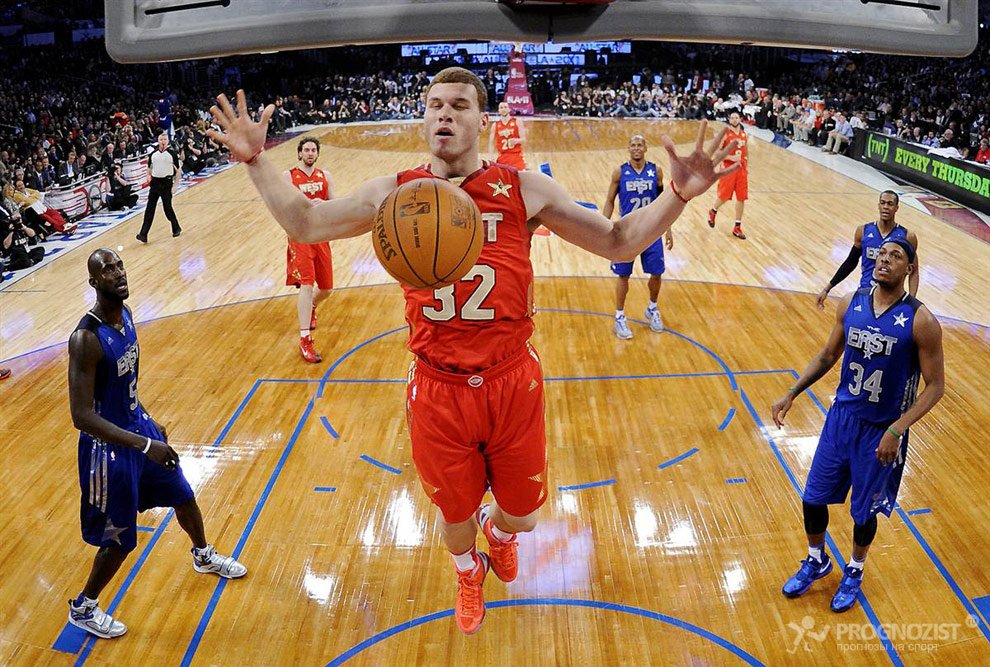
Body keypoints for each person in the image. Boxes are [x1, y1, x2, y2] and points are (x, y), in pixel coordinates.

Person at [207, 70, 738, 635]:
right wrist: (255, 161)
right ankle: (468, 571)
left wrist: (677, 194)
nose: (444, 114)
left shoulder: (523, 189)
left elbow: (618, 239)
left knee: (526, 517)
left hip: (512, 378)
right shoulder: (396, 192)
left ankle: (503, 536)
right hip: (438, 386)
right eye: (434, 105)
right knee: (455, 518)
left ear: (482, 120)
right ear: (423, 118)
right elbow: (306, 222)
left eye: (459, 105)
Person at [66, 248, 246, 640]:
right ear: (94, 283)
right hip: (107, 452)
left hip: (137, 429)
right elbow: (82, 416)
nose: (117, 273)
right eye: (107, 270)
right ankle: (84, 606)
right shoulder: (85, 339)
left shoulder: (127, 318)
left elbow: (123, 387)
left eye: (119, 266)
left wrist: (148, 419)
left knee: (183, 493)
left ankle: (202, 554)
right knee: (119, 540)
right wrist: (146, 446)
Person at [771, 238, 943, 613]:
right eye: (881, 254)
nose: (885, 260)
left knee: (863, 513)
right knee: (812, 497)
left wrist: (897, 429)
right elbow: (828, 354)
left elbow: (936, 386)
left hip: (882, 430)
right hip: (841, 419)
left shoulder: (921, 320)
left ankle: (855, 568)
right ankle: (817, 560)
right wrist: (791, 392)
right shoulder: (851, 302)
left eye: (895, 256)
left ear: (909, 270)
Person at [602, 134, 673, 339]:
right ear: (628, 148)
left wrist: (668, 228)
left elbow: (664, 202)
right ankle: (619, 316)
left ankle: (652, 308)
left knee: (657, 272)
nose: (636, 148)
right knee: (623, 275)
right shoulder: (620, 172)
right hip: (627, 231)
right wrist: (602, 226)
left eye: (639, 145)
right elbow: (609, 201)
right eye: (633, 145)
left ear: (646, 148)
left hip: (651, 230)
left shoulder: (656, 171)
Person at [816, 191, 919, 309]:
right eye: (883, 203)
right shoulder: (863, 231)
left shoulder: (907, 236)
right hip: (865, 294)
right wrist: (827, 288)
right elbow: (850, 262)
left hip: (892, 298)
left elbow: (914, 271)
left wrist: (912, 302)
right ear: (878, 205)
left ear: (896, 208)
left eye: (890, 204)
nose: (886, 207)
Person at [284, 137, 334, 363]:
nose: (310, 153)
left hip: (320, 236)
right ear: (300, 153)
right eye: (306, 150)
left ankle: (312, 305)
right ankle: (305, 339)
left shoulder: (326, 176)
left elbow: (333, 203)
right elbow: (284, 206)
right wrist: (305, 204)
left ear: (317, 153)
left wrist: (324, 205)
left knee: (327, 288)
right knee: (306, 283)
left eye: (314, 150)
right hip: (301, 236)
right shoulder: (289, 176)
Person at [707, 111, 748, 239]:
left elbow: (746, 151)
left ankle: (737, 226)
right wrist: (730, 157)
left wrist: (747, 166)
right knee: (724, 196)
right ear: (729, 120)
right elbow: (718, 153)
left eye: (737, 117)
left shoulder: (743, 134)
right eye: (732, 118)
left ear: (740, 119)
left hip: (741, 170)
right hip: (728, 169)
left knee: (741, 198)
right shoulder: (725, 135)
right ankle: (713, 210)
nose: (735, 120)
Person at [136, 134, 182, 243]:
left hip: (166, 183)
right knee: (149, 209)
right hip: (155, 183)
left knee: (167, 208)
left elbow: (178, 170)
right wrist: (148, 176)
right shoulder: (153, 154)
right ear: (158, 140)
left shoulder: (172, 154)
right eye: (161, 139)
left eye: (165, 139)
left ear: (168, 141)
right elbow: (149, 168)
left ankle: (176, 227)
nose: (162, 141)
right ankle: (143, 234)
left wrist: (175, 185)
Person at [488, 101, 527, 171]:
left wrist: (516, 140)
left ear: (509, 109)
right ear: (499, 111)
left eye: (505, 107)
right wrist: (491, 156)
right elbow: (491, 143)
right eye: (501, 107)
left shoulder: (517, 121)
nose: (503, 109)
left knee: (520, 179)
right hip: (502, 157)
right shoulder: (495, 125)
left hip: (516, 157)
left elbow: (524, 140)